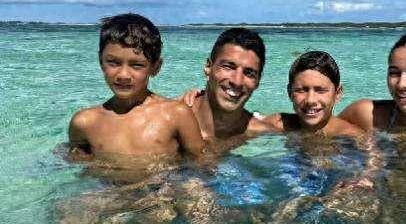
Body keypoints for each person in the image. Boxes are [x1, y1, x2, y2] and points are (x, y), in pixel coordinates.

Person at [68, 13, 204, 162]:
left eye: (137, 65)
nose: (123, 75)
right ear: (101, 61)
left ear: (155, 67)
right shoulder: (84, 123)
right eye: (113, 62)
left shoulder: (176, 115)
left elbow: (202, 165)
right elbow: (78, 166)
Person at [182, 28, 276, 151]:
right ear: (208, 67)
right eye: (228, 67)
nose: (237, 81)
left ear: (258, 81)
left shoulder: (264, 134)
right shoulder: (170, 119)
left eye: (249, 73)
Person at [263, 51, 363, 137]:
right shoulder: (276, 124)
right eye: (301, 90)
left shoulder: (351, 138)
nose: (310, 100)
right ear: (290, 92)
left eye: (321, 90)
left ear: (337, 94)